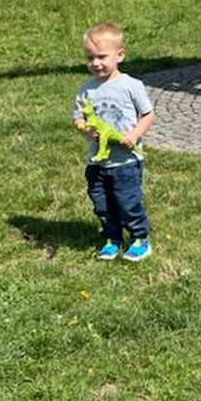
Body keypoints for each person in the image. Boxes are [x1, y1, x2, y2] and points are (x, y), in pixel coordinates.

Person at [72, 22, 156, 261]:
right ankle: (112, 238)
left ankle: (140, 239)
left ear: (119, 55)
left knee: (127, 201)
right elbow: (78, 117)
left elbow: (149, 114)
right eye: (90, 58)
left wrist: (135, 135)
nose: (95, 63)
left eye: (101, 57)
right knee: (102, 203)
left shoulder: (131, 85)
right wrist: (86, 130)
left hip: (126, 160)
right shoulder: (86, 90)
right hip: (97, 161)